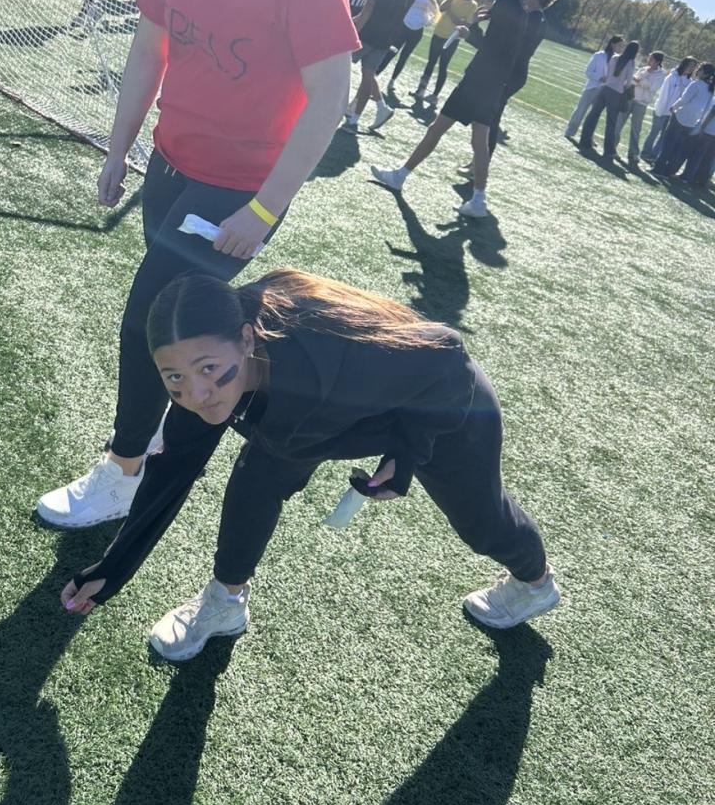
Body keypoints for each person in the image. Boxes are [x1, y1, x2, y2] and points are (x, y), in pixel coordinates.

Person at [36, 0, 359, 529]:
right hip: (169, 164)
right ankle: (154, 441)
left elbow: (330, 98)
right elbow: (149, 47)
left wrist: (264, 208)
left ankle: (122, 472)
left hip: (237, 190)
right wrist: (119, 148)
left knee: (147, 322)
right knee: (181, 329)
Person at [58, 269, 562, 659]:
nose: (197, 395)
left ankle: (534, 583)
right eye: (174, 378)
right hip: (309, 420)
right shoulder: (205, 372)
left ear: (247, 339)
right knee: (257, 478)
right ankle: (225, 603)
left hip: (441, 404)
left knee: (481, 523)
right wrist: (113, 568)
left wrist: (410, 450)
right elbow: (171, 471)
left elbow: (447, 355)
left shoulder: (319, 362)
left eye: (209, 369)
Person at [370, 0, 531, 218]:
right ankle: (478, 200)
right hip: (493, 84)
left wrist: (471, 31)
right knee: (479, 141)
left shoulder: (506, 5)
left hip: (478, 81)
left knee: (437, 129)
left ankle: (400, 176)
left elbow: (491, 47)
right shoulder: (520, 6)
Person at [486, 0, 559, 162]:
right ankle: (480, 161)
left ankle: (480, 163)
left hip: (512, 72)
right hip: (515, 72)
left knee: (491, 118)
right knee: (490, 116)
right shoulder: (537, 18)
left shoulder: (532, 18)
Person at [343, 0, 408, 131]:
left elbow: (368, 9)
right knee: (368, 76)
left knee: (339, 65)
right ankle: (354, 119)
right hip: (385, 39)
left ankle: (335, 105)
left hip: (368, 34)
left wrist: (354, 31)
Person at [413, 0, 479, 103]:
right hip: (438, 33)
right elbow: (442, 8)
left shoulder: (472, 5)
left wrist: (452, 14)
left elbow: (465, 24)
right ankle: (420, 90)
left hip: (452, 38)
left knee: (443, 66)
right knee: (430, 63)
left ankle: (435, 96)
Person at [578, 40, 639, 160]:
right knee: (611, 122)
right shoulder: (631, 63)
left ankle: (584, 140)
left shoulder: (615, 57)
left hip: (604, 89)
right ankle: (609, 151)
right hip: (616, 93)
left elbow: (608, 73)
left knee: (593, 115)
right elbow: (628, 82)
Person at [653, 63, 715, 178]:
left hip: (680, 117)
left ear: (705, 74)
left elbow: (683, 100)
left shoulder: (696, 84)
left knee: (668, 144)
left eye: (700, 69)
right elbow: (706, 108)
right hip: (692, 122)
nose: (697, 70)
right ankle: (668, 171)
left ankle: (658, 169)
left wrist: (673, 107)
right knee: (678, 149)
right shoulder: (710, 90)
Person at [384, 0, 440, 98]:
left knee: (404, 57)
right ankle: (376, 73)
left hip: (416, 32)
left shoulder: (431, 1)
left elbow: (436, 16)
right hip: (403, 27)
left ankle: (392, 81)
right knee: (392, 52)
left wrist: (427, 22)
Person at [564, 35, 623, 139]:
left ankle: (588, 137)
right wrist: (599, 78)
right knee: (581, 109)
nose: (621, 48)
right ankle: (570, 130)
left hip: (604, 91)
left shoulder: (617, 59)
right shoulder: (599, 55)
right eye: (619, 45)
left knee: (594, 115)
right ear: (612, 44)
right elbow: (588, 71)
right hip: (592, 87)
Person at [641, 57, 696, 162]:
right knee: (654, 132)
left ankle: (654, 156)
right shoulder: (673, 76)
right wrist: (660, 110)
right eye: (689, 65)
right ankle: (645, 153)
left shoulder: (690, 82)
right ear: (684, 64)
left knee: (664, 136)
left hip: (674, 114)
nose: (691, 68)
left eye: (693, 67)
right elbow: (664, 95)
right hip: (662, 110)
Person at [615, 51, 665, 167]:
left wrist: (640, 81)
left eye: (651, 59)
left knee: (635, 129)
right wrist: (640, 80)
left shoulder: (661, 74)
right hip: (630, 99)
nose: (649, 61)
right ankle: (612, 146)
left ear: (657, 62)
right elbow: (632, 80)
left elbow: (653, 88)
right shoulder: (644, 69)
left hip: (641, 104)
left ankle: (633, 153)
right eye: (649, 58)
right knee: (619, 123)